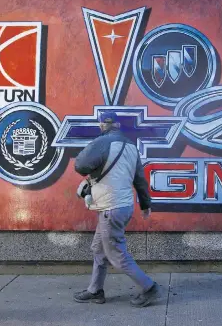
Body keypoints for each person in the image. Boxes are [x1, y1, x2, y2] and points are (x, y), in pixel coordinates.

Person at [73, 111, 160, 307]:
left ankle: (149, 287)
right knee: (99, 249)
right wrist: (145, 205)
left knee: (116, 254)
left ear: (102, 125)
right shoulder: (131, 147)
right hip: (122, 206)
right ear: (118, 126)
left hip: (110, 208)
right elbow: (139, 179)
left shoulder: (102, 142)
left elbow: (80, 165)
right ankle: (95, 290)